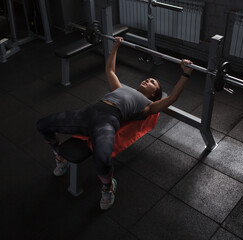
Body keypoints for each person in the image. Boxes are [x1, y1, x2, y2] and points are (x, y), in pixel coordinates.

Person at [36, 37, 193, 210]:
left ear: (154, 94)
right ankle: (59, 156)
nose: (147, 80)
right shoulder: (121, 88)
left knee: (102, 160)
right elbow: (110, 69)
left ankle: (107, 188)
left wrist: (185, 73)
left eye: (152, 82)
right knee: (43, 124)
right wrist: (116, 46)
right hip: (87, 114)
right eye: (148, 79)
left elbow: (172, 98)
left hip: (106, 123)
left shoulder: (149, 106)